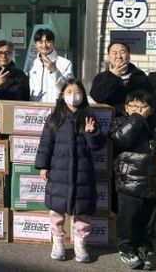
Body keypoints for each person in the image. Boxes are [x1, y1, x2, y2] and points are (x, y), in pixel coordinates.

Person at [35, 79, 106, 263]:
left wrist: (91, 132)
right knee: (56, 210)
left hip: (83, 172)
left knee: (82, 211)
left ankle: (80, 244)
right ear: (62, 95)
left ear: (83, 95)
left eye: (77, 92)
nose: (73, 96)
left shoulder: (89, 116)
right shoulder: (55, 118)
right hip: (59, 171)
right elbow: (45, 144)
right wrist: (43, 166)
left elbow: (98, 145)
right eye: (69, 92)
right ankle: (58, 242)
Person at [110, 90, 156, 270]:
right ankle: (126, 248)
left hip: (154, 180)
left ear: (152, 109)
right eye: (133, 106)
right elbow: (120, 140)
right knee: (129, 219)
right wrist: (137, 119)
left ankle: (144, 248)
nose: (138, 109)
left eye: (143, 106)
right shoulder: (120, 122)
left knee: (148, 221)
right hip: (130, 181)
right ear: (126, 108)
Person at [91, 41, 154, 116]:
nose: (119, 56)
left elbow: (151, 102)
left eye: (122, 52)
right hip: (110, 119)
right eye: (114, 53)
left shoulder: (141, 77)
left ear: (129, 56)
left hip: (135, 119)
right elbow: (98, 98)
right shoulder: (101, 77)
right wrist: (113, 76)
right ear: (109, 57)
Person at [28, 28, 73, 102]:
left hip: (56, 107)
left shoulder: (65, 63)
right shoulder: (34, 63)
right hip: (36, 107)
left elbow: (69, 89)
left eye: (48, 41)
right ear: (35, 45)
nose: (44, 45)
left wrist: (55, 71)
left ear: (54, 43)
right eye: (40, 42)